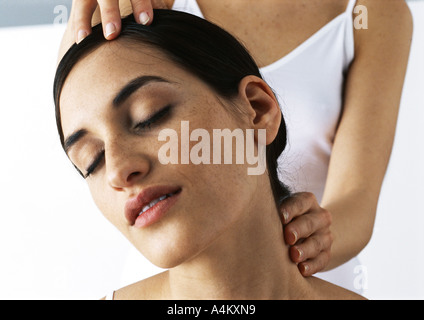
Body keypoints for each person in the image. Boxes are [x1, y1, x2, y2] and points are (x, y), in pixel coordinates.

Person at [59, 0, 413, 293]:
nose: (118, 170)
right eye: (92, 162)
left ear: (258, 108)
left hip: (310, 271)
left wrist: (300, 240)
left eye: (152, 114)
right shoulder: (127, 7)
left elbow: (357, 198)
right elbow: (86, 111)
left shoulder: (371, 14)